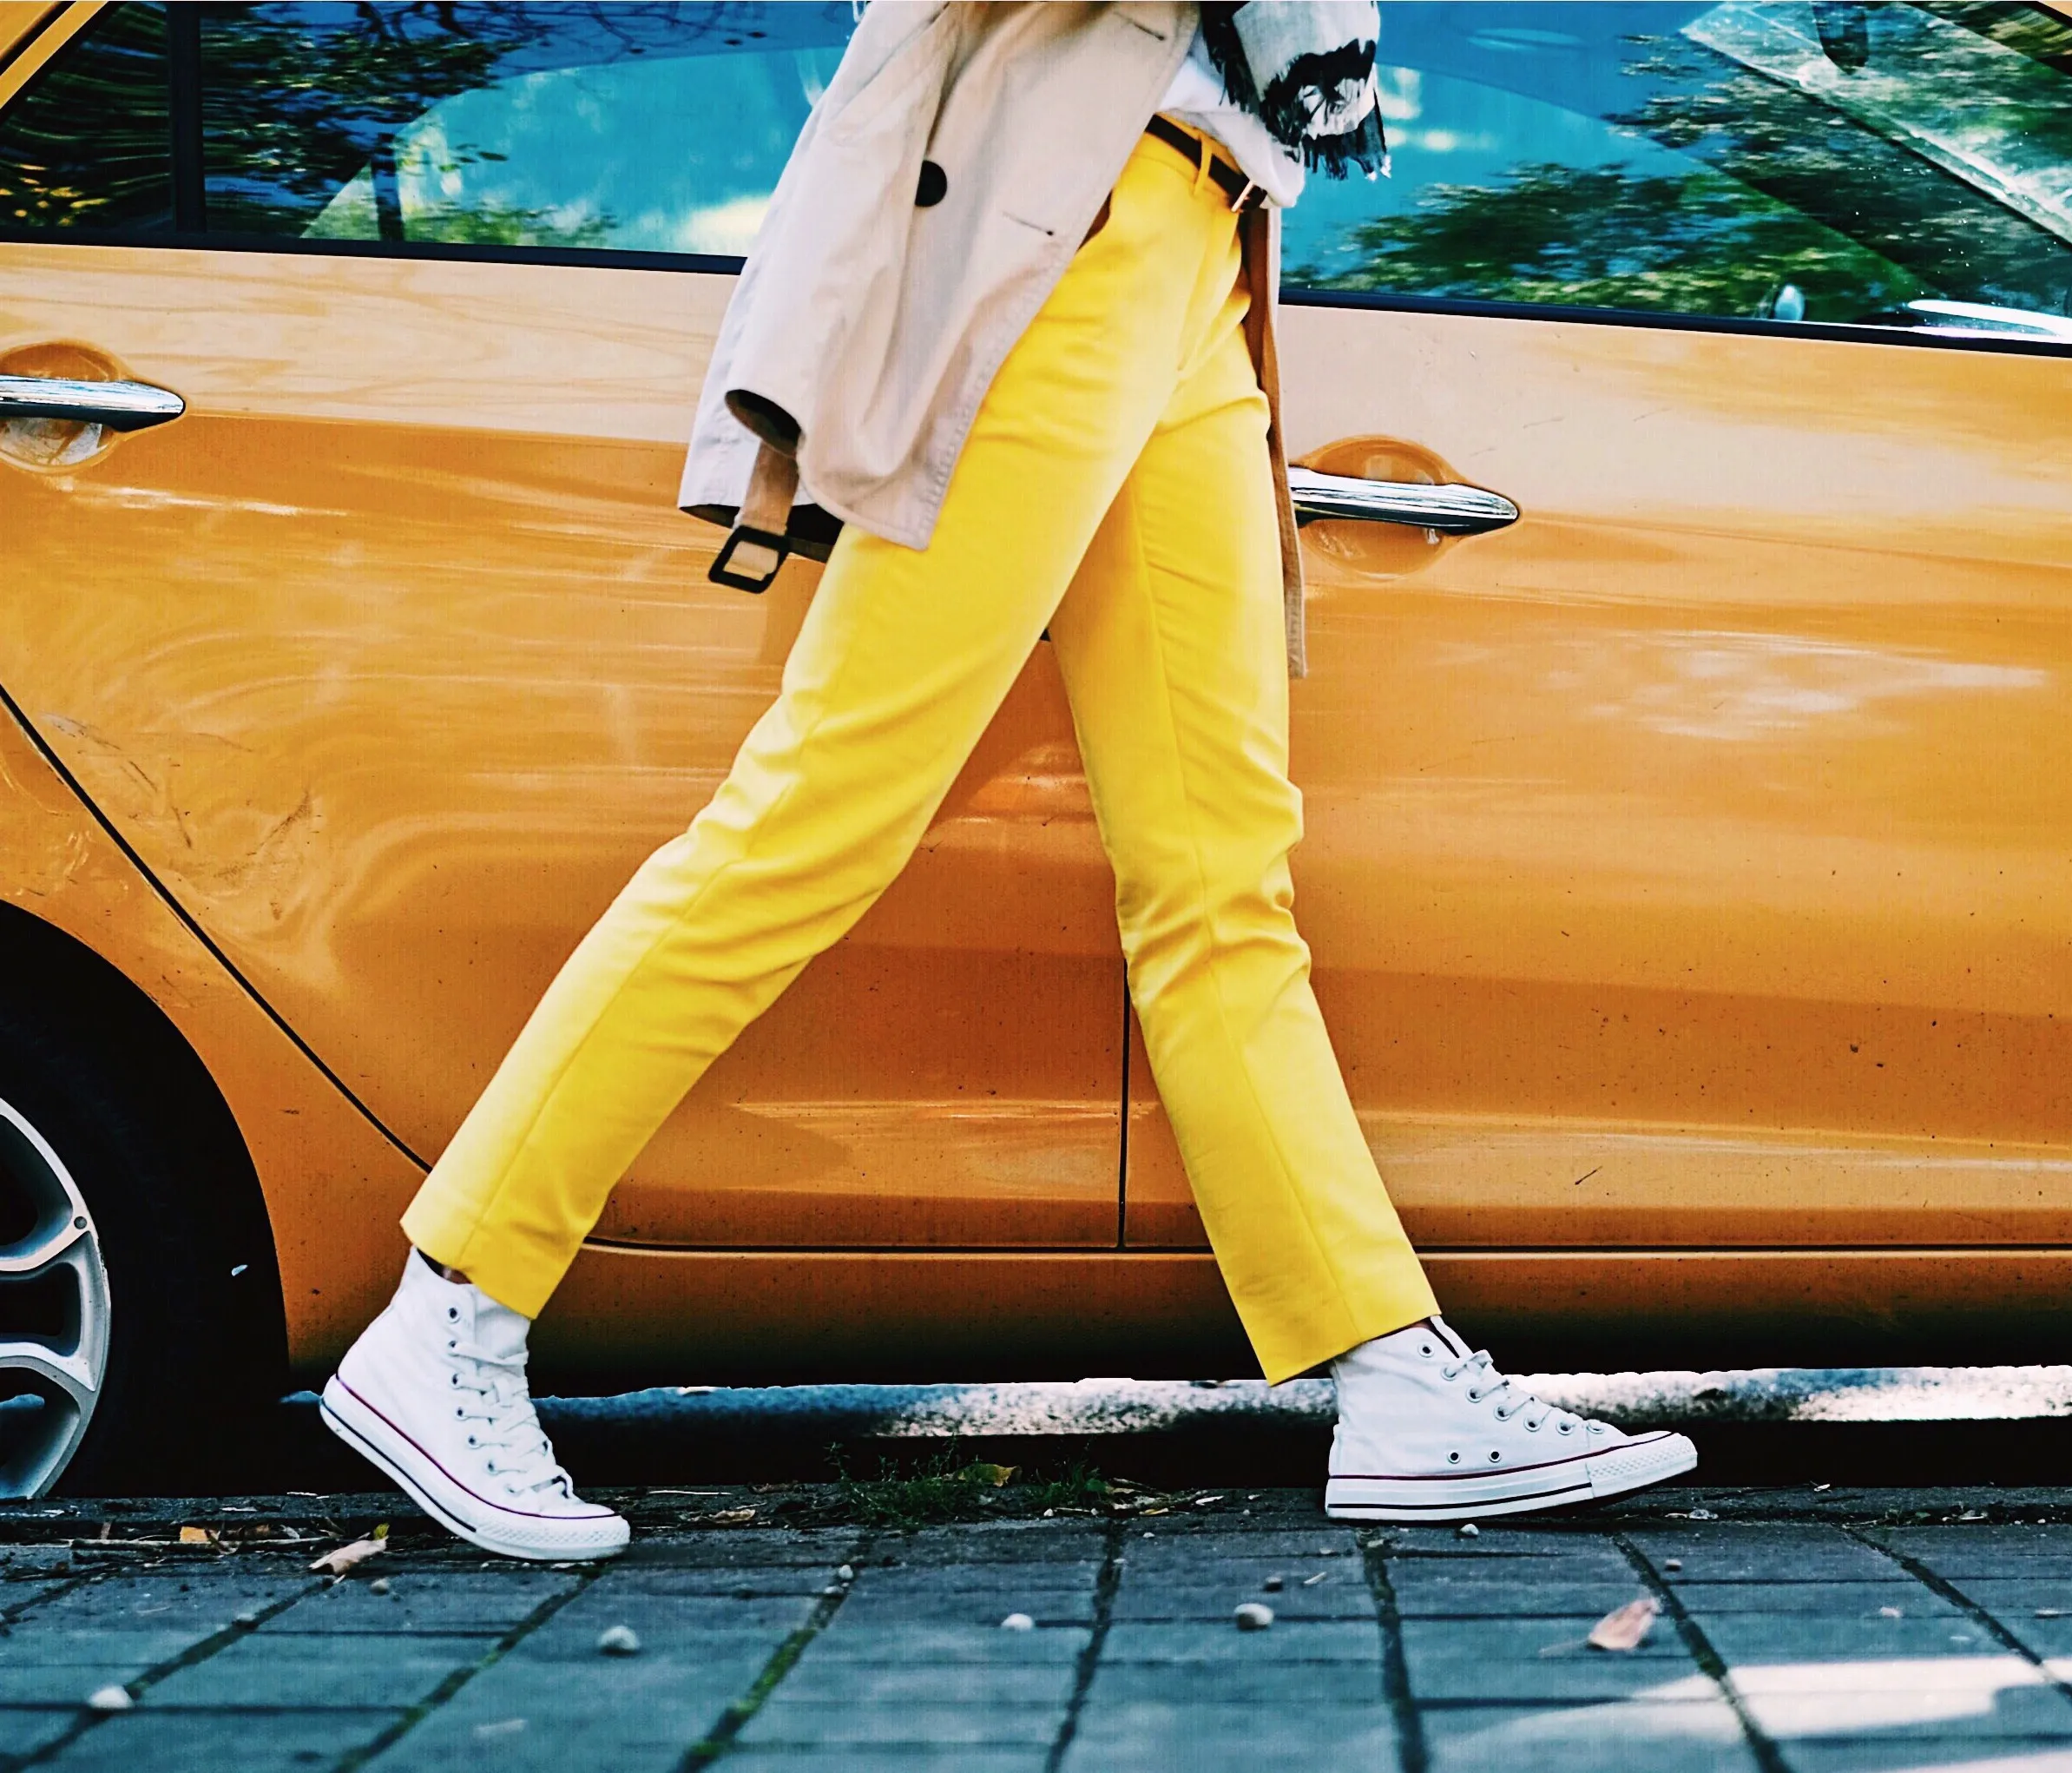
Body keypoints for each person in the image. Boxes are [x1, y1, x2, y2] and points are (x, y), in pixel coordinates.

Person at [318, 1, 1697, 1562]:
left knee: (1219, 872)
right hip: (1068, 234)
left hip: (1203, 246)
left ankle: (1389, 1373)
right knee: (817, 814)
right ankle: (450, 1316)